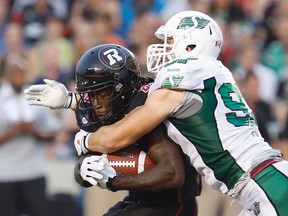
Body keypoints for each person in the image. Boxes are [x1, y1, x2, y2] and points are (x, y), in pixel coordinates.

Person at [25, 11, 288, 215]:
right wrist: (72, 101)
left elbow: (115, 137)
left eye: (170, 40)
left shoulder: (186, 72)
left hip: (263, 184)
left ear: (191, 45)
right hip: (264, 182)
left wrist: (83, 140)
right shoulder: (209, 73)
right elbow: (132, 99)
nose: (162, 47)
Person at [25, 44, 201, 215]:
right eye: (91, 95)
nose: (96, 104)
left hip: (172, 204)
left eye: (101, 94)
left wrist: (115, 181)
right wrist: (83, 169)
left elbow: (172, 173)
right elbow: (86, 172)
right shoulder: (108, 109)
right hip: (140, 198)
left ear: (122, 88)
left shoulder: (146, 109)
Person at [0, 53, 61, 215]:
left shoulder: (36, 97)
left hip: (33, 170)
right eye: (14, 71)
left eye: (21, 71)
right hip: (5, 173)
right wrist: (14, 132)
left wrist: (34, 132)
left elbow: (52, 133)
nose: (18, 75)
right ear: (6, 73)